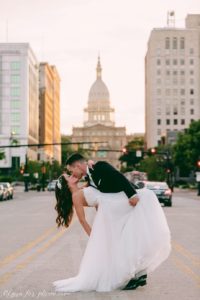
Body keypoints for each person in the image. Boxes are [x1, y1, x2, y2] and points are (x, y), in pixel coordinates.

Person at [52, 173, 171, 292]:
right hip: (115, 205)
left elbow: (98, 202)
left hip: (113, 208)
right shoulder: (76, 196)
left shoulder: (83, 188)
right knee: (144, 200)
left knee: (132, 234)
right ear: (67, 185)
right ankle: (136, 274)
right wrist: (94, 236)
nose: (72, 175)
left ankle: (138, 273)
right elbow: (82, 220)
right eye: (69, 177)